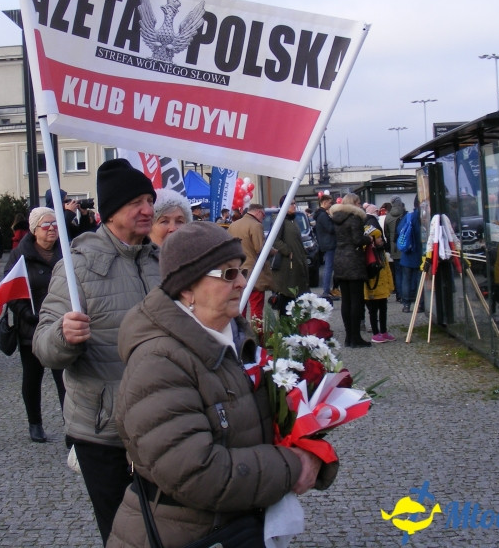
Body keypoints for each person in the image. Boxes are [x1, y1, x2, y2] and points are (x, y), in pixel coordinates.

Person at [107, 222, 332, 547]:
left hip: (235, 527)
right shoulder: (158, 362)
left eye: (240, 270)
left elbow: (263, 424)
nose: (242, 282)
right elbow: (196, 473)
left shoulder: (237, 337)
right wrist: (293, 466)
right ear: (187, 288)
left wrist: (314, 449)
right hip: (185, 534)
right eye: (228, 275)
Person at [33, 158, 159, 545]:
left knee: (167, 531)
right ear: (110, 212)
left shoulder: (162, 261)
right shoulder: (77, 266)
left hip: (162, 424)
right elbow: (43, 346)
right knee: (122, 536)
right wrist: (63, 335)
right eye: (135, 202)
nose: (148, 210)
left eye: (149, 200)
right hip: (104, 432)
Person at [5, 207, 67, 443]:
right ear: (34, 230)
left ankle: (71, 425)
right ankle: (35, 423)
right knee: (32, 377)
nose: (52, 229)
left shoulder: (66, 252)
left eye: (55, 224)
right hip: (31, 327)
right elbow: (10, 292)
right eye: (46, 225)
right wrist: (29, 315)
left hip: (62, 325)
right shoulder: (19, 255)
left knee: (65, 378)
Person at [330, 193, 371, 347]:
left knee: (346, 301)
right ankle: (355, 337)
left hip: (339, 258)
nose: (360, 205)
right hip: (353, 260)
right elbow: (357, 239)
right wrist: (369, 239)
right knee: (356, 301)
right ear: (353, 203)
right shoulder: (355, 218)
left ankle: (348, 337)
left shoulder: (337, 218)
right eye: (359, 202)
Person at [227, 203, 274, 326]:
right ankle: (256, 336)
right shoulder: (256, 225)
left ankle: (240, 333)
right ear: (258, 212)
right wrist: (274, 251)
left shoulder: (233, 225)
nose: (263, 219)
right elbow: (261, 249)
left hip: (237, 272)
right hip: (254, 273)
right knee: (256, 309)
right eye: (263, 216)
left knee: (239, 307)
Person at [363, 216, 395, 343]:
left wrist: (390, 285)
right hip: (372, 289)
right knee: (373, 311)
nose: (381, 240)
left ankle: (384, 331)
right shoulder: (368, 254)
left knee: (383, 310)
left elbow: (387, 271)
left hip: (382, 288)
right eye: (379, 238)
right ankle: (376, 332)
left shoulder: (381, 253)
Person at [271, 197, 309, 302]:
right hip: (287, 264)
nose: (294, 205)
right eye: (291, 204)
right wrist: (288, 251)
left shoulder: (292, 220)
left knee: (299, 291)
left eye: (294, 203)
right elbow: (275, 239)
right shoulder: (280, 220)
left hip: (298, 260)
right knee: (287, 294)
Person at [397, 197, 424, 314]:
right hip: (419, 253)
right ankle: (420, 305)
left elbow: (399, 231)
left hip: (407, 254)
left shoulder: (408, 216)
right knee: (420, 280)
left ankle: (406, 305)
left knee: (406, 280)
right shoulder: (423, 217)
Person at [313, 194, 337, 300]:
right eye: (330, 202)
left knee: (329, 267)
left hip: (326, 243)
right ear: (324, 202)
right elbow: (330, 228)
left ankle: (327, 290)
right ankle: (326, 290)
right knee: (329, 267)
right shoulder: (323, 215)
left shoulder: (320, 215)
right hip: (329, 243)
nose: (331, 205)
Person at [384, 197, 407, 301]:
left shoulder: (388, 217)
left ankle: (399, 295)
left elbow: (386, 234)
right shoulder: (405, 215)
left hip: (394, 248)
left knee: (397, 272)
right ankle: (407, 294)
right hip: (405, 246)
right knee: (406, 272)